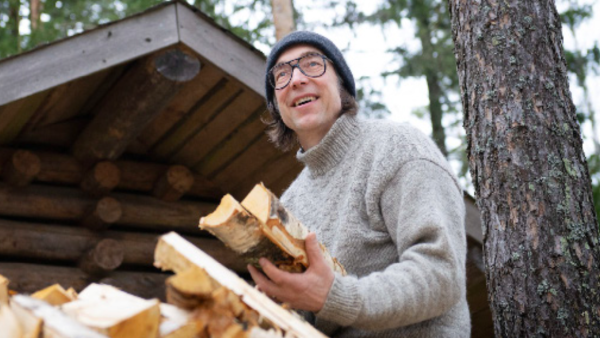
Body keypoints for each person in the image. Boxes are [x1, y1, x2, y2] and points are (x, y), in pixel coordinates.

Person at [247, 31, 471, 338]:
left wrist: (335, 297)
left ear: (342, 86)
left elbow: (442, 274)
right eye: (281, 75)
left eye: (312, 64)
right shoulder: (288, 205)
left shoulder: (399, 149)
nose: (296, 79)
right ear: (277, 104)